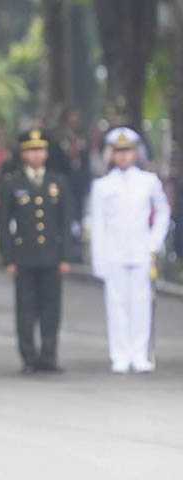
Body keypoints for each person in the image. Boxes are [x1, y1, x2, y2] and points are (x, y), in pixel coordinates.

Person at [89, 127, 170, 373]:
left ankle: (140, 354)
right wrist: (98, 258)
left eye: (128, 151)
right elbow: (97, 224)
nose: (123, 156)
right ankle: (120, 354)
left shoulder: (149, 181)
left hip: (141, 250)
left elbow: (163, 212)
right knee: (117, 305)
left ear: (136, 153)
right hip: (114, 252)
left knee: (141, 303)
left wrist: (154, 242)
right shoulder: (102, 186)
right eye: (118, 152)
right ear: (111, 155)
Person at [0, 129, 73, 373]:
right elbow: (4, 223)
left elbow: (66, 221)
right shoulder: (13, 182)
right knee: (26, 308)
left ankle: (49, 356)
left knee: (51, 308)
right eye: (31, 150)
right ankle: (29, 357)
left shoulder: (57, 182)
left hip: (52, 255)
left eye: (40, 149)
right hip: (24, 256)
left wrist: (65, 256)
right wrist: (8, 258)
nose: (36, 154)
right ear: (23, 154)